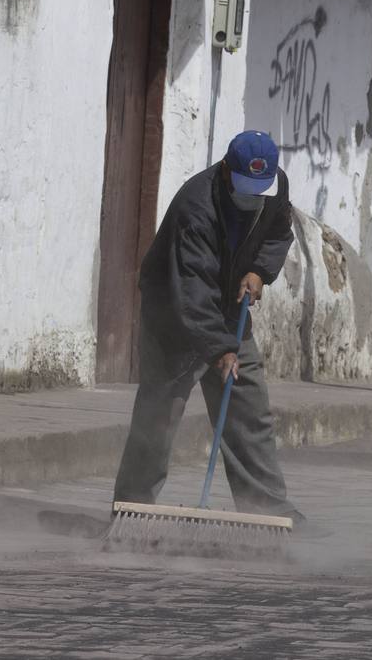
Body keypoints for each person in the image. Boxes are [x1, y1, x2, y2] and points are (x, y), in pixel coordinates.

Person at [112, 130, 303, 524]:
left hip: (231, 307)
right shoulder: (195, 207)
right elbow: (191, 290)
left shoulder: (275, 188)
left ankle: (267, 510)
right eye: (246, 188)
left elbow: (279, 233)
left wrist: (259, 272)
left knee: (249, 407)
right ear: (225, 171)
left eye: (259, 189)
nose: (253, 197)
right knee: (159, 414)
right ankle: (132, 509)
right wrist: (219, 349)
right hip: (175, 311)